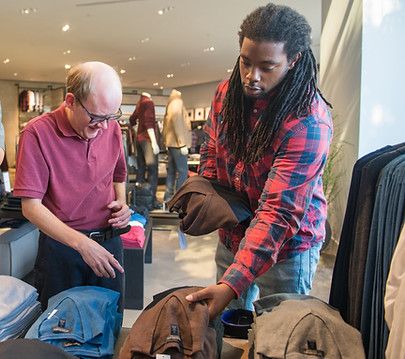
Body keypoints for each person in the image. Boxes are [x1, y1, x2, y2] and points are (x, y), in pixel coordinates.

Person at [186, 3, 333, 320]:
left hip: (287, 248)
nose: (252, 76)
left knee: (278, 334)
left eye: (267, 67)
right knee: (228, 328)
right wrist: (205, 195)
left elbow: (278, 213)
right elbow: (211, 151)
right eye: (245, 62)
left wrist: (231, 284)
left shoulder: (308, 121)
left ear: (292, 60)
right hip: (233, 234)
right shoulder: (227, 92)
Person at [13, 61, 131, 313]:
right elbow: (31, 207)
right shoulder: (36, 134)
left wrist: (122, 202)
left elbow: (118, 174)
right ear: (70, 101)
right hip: (62, 250)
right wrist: (82, 244)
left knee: (109, 322)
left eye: (111, 117)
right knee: (59, 330)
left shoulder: (110, 127)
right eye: (96, 117)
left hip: (109, 244)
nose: (103, 126)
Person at [130, 92, 161, 209]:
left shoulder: (140, 103)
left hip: (139, 140)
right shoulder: (148, 103)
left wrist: (136, 130)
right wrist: (154, 141)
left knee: (141, 170)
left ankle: (139, 200)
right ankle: (152, 201)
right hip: (147, 140)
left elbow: (132, 119)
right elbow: (149, 122)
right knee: (153, 170)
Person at [162, 89, 191, 203]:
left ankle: (168, 197)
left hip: (171, 143)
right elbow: (177, 123)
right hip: (177, 144)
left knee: (172, 171)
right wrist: (181, 142)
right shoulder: (177, 102)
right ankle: (180, 199)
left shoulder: (171, 102)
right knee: (183, 171)